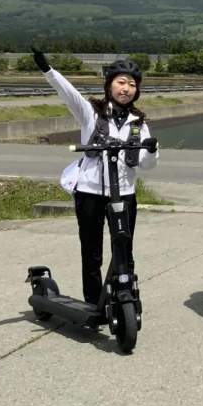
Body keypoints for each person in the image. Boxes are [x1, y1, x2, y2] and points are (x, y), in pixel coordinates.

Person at [32, 48, 159, 307]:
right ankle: (92, 301)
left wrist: (153, 150)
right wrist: (48, 69)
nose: (126, 89)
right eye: (121, 82)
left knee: (124, 248)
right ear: (109, 85)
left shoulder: (139, 123)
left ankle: (126, 295)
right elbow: (68, 94)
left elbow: (147, 165)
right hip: (90, 192)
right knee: (92, 251)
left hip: (124, 192)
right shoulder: (91, 112)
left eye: (132, 84)